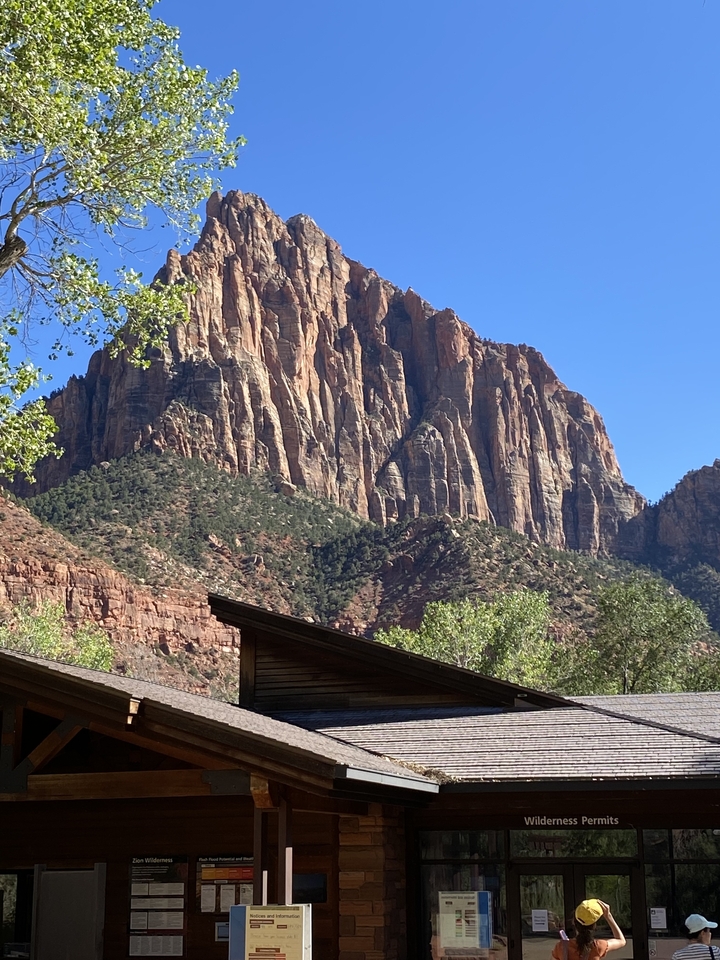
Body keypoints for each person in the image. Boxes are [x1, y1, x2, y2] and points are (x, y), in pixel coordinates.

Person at [552, 899, 626, 960]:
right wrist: (608, 916)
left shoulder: (561, 947)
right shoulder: (598, 946)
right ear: (594, 926)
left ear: (573, 922)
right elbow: (621, 940)